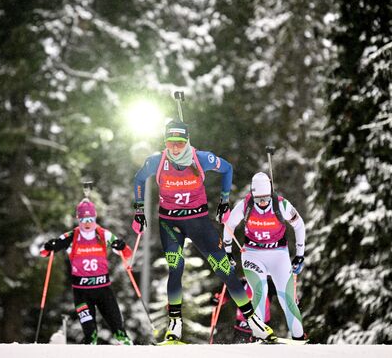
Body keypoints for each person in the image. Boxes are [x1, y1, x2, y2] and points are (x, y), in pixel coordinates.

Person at [131, 120, 276, 343]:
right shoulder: (157, 161)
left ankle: (253, 321)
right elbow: (139, 178)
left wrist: (224, 202)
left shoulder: (201, 158)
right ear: (165, 142)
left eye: (179, 143)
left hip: (198, 222)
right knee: (175, 268)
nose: (175, 148)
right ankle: (175, 324)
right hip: (170, 224)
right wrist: (139, 210)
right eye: (171, 142)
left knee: (224, 269)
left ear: (186, 141)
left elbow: (227, 168)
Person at [223, 172, 307, 342]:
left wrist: (300, 255)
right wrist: (228, 252)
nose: (262, 203)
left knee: (287, 298)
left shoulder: (281, 205)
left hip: (278, 254)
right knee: (260, 292)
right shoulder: (245, 205)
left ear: (271, 194)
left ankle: (299, 338)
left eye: (266, 199)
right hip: (252, 254)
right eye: (258, 199)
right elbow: (229, 225)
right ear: (253, 195)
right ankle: (260, 337)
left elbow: (300, 226)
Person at [41, 199, 133, 345]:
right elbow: (45, 252)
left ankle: (128, 348)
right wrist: (49, 246)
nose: (87, 223)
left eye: (90, 219)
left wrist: (121, 246)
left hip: (103, 290)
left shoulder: (103, 234)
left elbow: (126, 253)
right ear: (79, 219)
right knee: (90, 333)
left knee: (118, 327)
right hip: (82, 292)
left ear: (95, 218)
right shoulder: (72, 237)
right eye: (83, 219)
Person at [210, 276, 276, 343]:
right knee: (240, 347)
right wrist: (218, 299)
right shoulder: (242, 283)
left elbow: (282, 292)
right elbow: (227, 294)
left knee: (259, 349)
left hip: (262, 324)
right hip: (243, 325)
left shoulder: (268, 284)